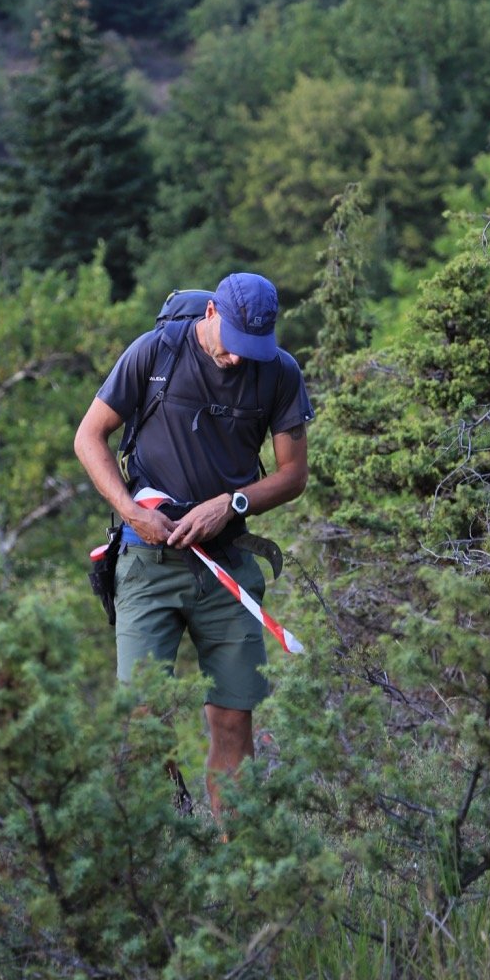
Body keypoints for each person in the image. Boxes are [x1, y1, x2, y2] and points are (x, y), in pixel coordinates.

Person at [74, 272, 314, 815]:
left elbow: (293, 475)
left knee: (233, 718)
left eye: (252, 348)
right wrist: (132, 511)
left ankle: (236, 867)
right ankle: (163, 847)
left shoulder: (278, 374)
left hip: (227, 566)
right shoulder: (155, 353)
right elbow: (89, 437)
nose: (238, 359)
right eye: (232, 344)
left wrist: (231, 504)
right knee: (142, 717)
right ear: (210, 314)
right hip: (146, 560)